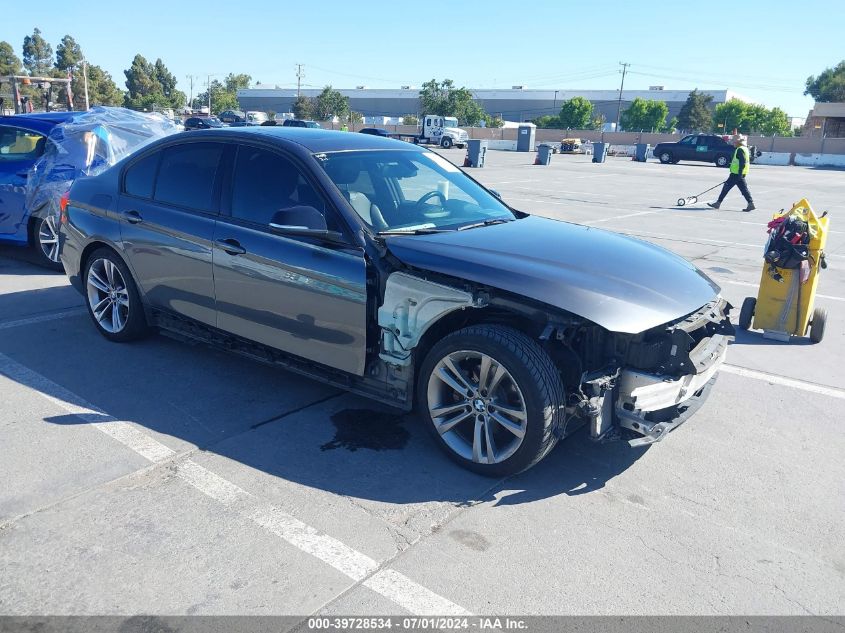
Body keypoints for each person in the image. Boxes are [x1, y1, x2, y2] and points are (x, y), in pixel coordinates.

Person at [708, 135, 755, 212]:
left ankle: (718, 203)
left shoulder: (740, 150)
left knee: (726, 188)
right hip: (740, 173)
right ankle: (751, 204)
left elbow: (742, 163)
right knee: (744, 189)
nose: (733, 143)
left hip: (736, 174)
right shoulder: (745, 149)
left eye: (734, 142)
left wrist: (739, 174)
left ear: (738, 143)